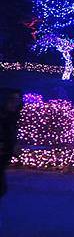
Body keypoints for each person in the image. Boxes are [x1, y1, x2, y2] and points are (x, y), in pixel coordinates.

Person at [0, 88, 23, 229]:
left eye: (18, 100)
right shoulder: (3, 116)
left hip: (2, 160)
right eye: (12, 100)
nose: (15, 103)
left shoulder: (11, 117)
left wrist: (13, 147)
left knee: (2, 188)